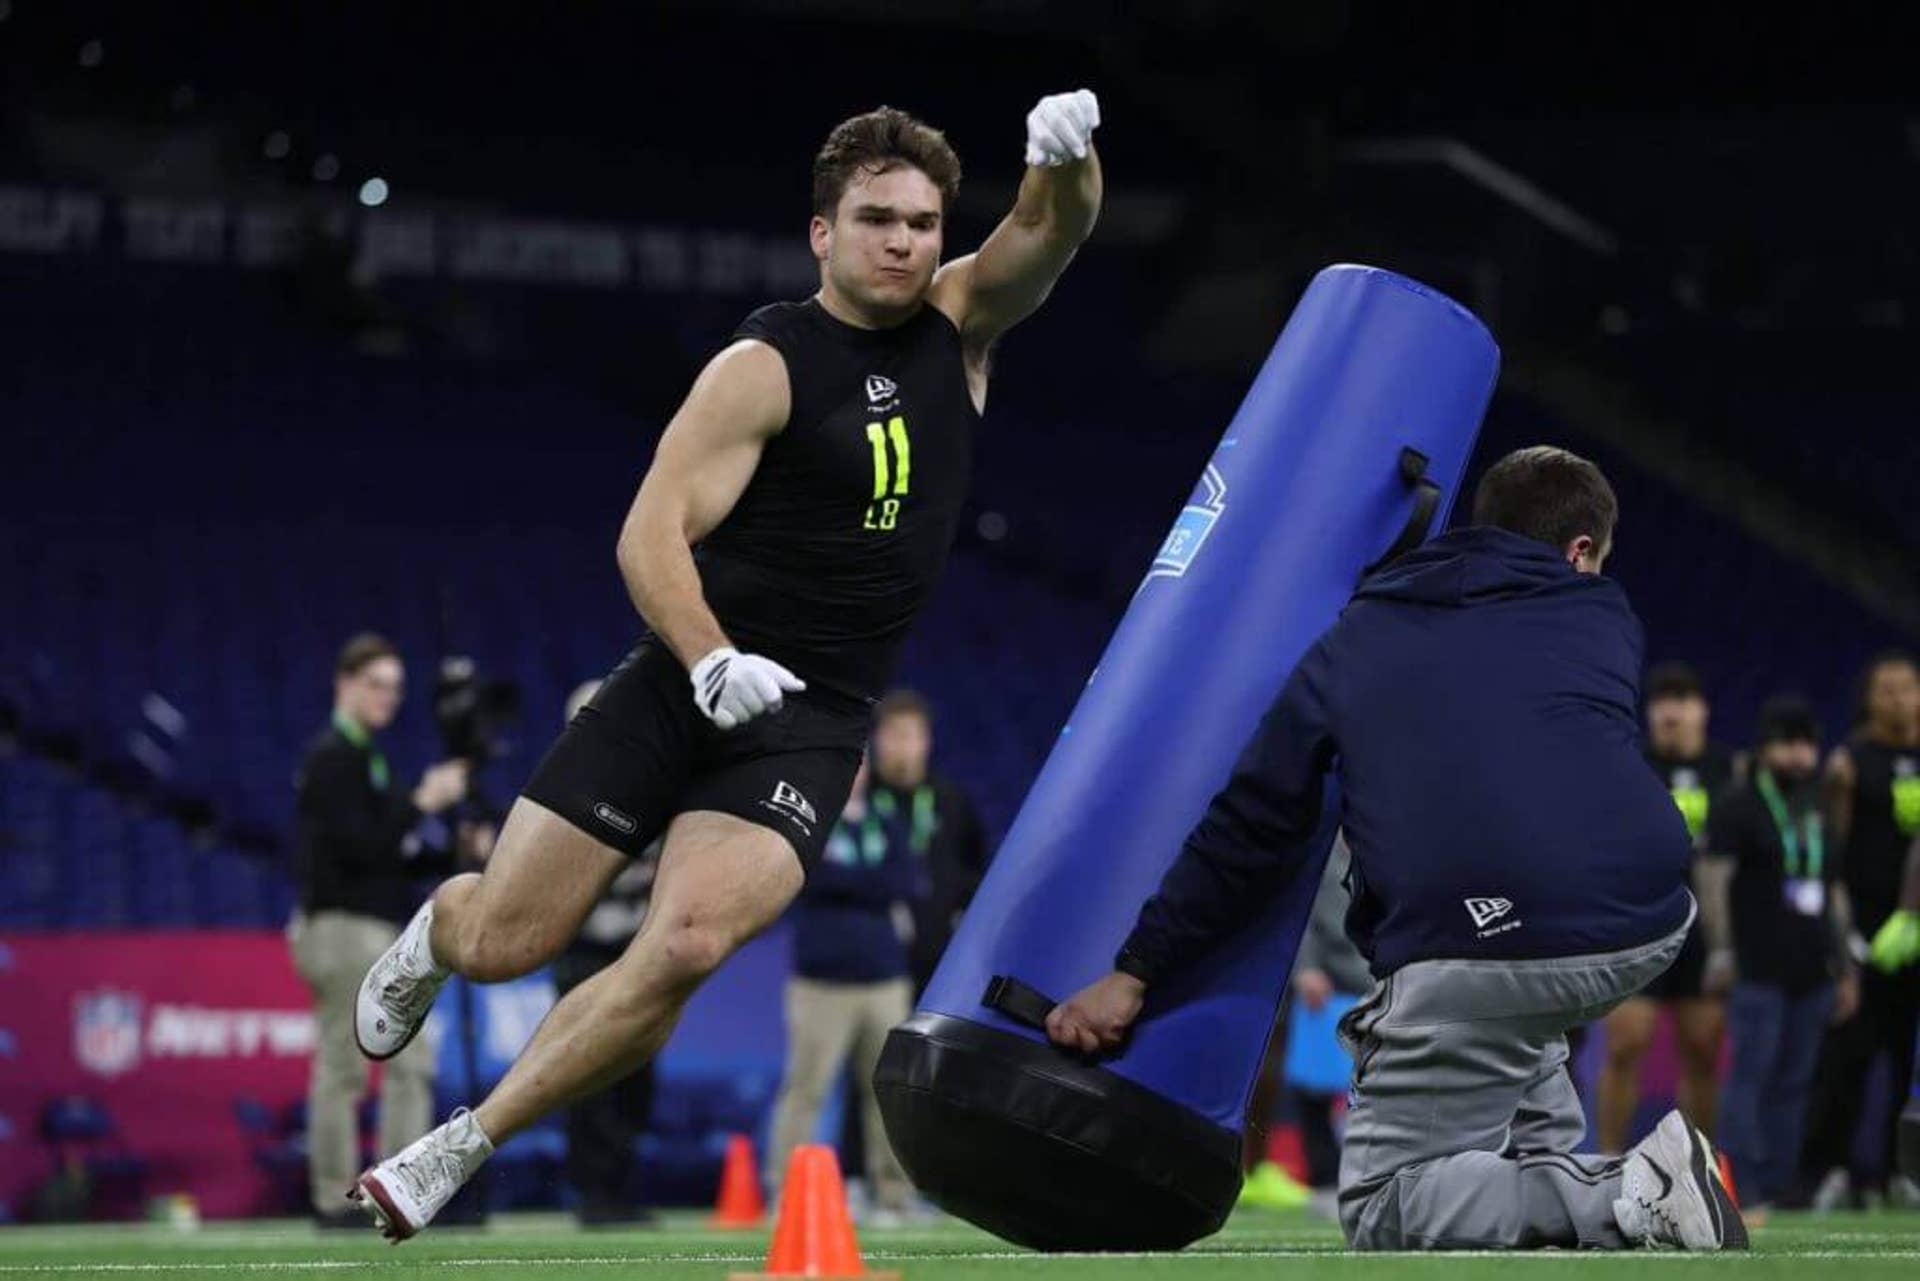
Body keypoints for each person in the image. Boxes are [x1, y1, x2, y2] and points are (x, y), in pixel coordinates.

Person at [345, 91, 1106, 1239]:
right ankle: (436, 934)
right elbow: (648, 535)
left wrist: (1067, 158)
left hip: (810, 723)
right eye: (874, 219)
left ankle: (465, 1140)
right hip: (676, 686)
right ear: (822, 233)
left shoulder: (961, 324)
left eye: (921, 221)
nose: (903, 241)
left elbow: (1053, 229)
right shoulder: (762, 364)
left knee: (686, 942)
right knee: (510, 940)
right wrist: (707, 662)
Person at [1047, 446, 1746, 1252]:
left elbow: (1252, 823)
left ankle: (1635, 1187)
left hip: (1484, 942)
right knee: (1514, 1016)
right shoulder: (1603, 614)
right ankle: (1543, 1156)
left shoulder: (1359, 633)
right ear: (1581, 550)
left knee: (1386, 1207)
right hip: (1651, 913)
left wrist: (1137, 970)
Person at [287, 633, 468, 1229]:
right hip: (342, 925)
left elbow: (388, 853)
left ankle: (392, 1192)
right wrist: (423, 801)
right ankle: (335, 1196)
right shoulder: (334, 755)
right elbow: (359, 847)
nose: (387, 697)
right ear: (344, 684)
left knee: (406, 1061)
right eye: (376, 685)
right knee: (347, 1064)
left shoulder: (366, 755)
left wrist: (452, 845)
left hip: (370, 924)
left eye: (394, 688)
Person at [1698, 696, 1858, 1215]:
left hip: (1813, 969)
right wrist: (1721, 950)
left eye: (1806, 744)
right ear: (1765, 749)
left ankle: (1781, 1187)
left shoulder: (1815, 805)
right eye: (1787, 744)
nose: (1798, 755)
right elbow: (1714, 879)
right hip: (1758, 967)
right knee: (1752, 1077)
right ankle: (1740, 1184)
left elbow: (1832, 889)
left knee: (1794, 1083)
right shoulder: (1738, 803)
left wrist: (1846, 964)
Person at [767, 757, 917, 1220]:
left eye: (858, 763)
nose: (852, 771)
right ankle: (784, 1196)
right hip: (821, 983)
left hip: (883, 979)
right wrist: (868, 886)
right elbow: (809, 879)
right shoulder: (805, 820)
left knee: (889, 1095)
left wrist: (847, 883)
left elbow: (903, 880)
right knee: (806, 1089)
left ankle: (895, 1197)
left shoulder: (886, 820)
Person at [1598, 662, 1737, 1152]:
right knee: (1625, 1044)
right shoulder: (1630, 763)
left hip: (1703, 933)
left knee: (1702, 1051)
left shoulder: (1728, 770)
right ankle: (1610, 1161)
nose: (1671, 711)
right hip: (1642, 923)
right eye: (1662, 701)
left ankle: (1700, 1165)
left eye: (1682, 700)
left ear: (1701, 710)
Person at [1802, 652, 1920, 1209]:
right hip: (1867, 930)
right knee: (1851, 1055)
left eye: (1908, 688)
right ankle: (1835, 1171)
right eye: (1887, 690)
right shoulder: (1850, 763)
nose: (1899, 699)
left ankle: (1903, 1174)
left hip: (1915, 929)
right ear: (1869, 698)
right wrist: (1844, 945)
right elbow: (1833, 860)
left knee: (1908, 1056)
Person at [550, 681, 661, 1227]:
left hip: (636, 952)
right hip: (585, 950)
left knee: (636, 1074)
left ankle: (621, 1185)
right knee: (587, 1074)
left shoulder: (653, 784)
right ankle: (593, 1191)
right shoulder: (559, 790)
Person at [864, 688, 988, 992]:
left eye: (909, 736)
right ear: (877, 740)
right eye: (893, 735)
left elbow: (976, 863)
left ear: (926, 741)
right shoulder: (857, 801)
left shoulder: (951, 799)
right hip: (868, 960)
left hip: (938, 960)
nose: (901, 746)